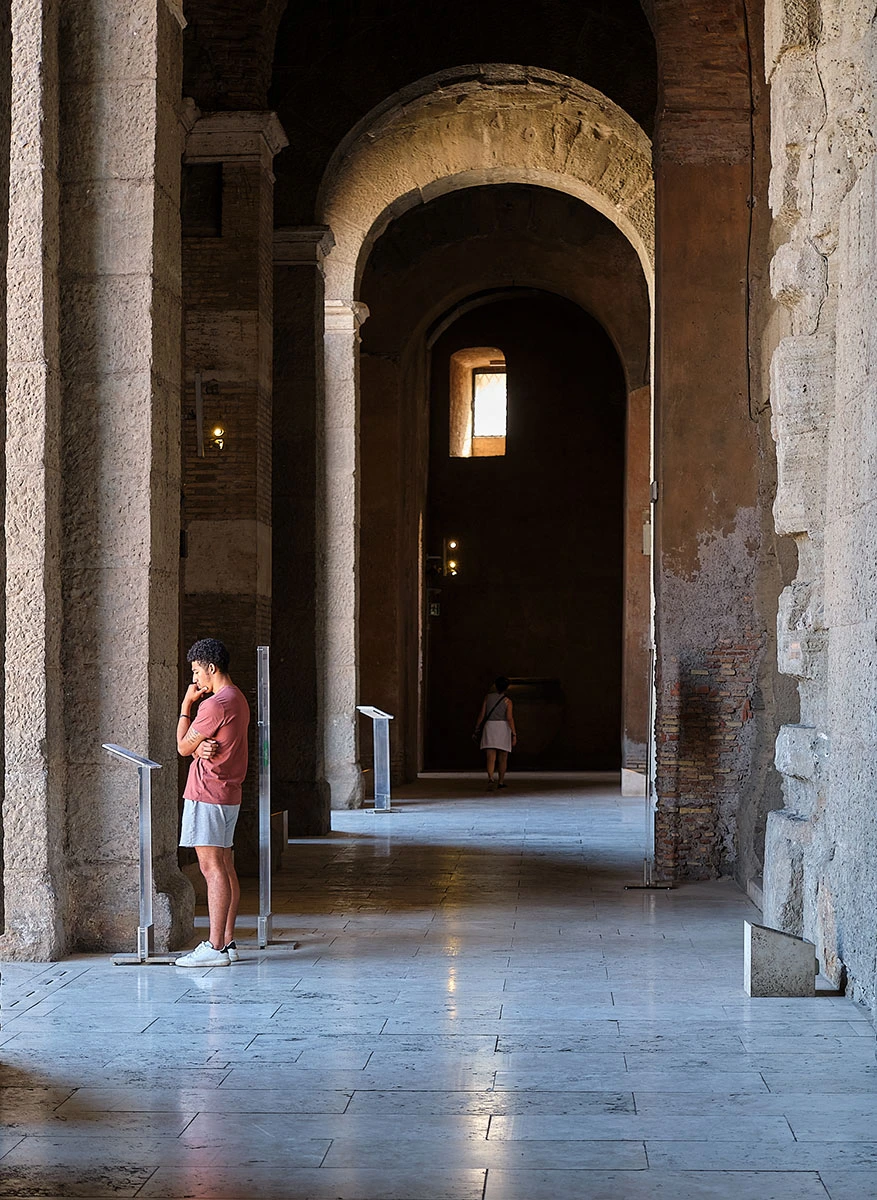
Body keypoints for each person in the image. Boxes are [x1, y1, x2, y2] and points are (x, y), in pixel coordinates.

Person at [174, 638, 250, 967]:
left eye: (196, 672)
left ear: (211, 668)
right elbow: (204, 744)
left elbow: (181, 746)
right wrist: (201, 745)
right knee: (225, 866)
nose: (195, 681)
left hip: (208, 793)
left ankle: (215, 946)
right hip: (228, 792)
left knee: (211, 868)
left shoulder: (214, 704)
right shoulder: (238, 698)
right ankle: (228, 940)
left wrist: (186, 706)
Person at [476, 675, 516, 790]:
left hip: (490, 726)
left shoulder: (488, 698)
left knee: (490, 756)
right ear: (506, 688)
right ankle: (501, 781)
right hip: (503, 727)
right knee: (503, 757)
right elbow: (509, 718)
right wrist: (514, 733)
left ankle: (490, 778)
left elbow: (482, 714)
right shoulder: (508, 701)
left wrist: (477, 727)